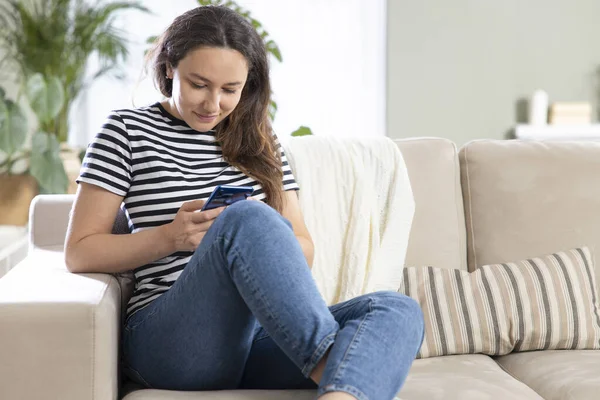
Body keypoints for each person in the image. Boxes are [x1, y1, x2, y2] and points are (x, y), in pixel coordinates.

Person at [64, 5, 424, 400]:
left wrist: (265, 243)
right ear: (169, 68)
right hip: (168, 341)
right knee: (247, 217)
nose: (212, 104)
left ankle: (343, 394)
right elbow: (80, 252)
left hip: (256, 340)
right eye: (199, 84)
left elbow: (303, 250)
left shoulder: (261, 141)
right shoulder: (125, 131)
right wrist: (171, 237)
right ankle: (329, 362)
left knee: (396, 308)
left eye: (230, 90)